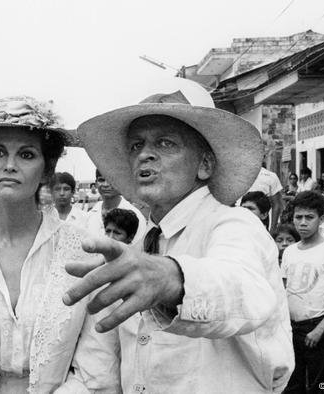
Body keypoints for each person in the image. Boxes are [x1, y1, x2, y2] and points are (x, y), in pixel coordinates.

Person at [65, 77, 293, 392]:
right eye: (136, 145)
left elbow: (244, 287)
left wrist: (173, 278)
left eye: (165, 143)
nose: (145, 154)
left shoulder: (235, 225)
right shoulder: (137, 246)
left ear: (205, 164)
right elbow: (99, 373)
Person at [0, 95, 120, 393]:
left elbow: (98, 371)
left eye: (27, 155)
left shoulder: (84, 251)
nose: (9, 165)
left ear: (47, 170)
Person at [281, 191, 324, 394]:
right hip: (291, 327)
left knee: (318, 384)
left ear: (320, 218)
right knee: (292, 383)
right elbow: (283, 291)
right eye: (298, 217)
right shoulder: (290, 251)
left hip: (317, 325)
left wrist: (320, 329)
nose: (302, 223)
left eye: (309, 217)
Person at [85, 169, 147, 246]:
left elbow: (137, 252)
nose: (106, 184)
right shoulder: (91, 214)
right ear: (96, 183)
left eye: (111, 180)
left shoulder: (136, 216)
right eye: (101, 180)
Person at [248, 164, 284, 232]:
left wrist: (273, 229)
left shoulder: (270, 176)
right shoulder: (234, 175)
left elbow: (276, 204)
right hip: (239, 220)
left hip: (261, 221)